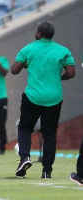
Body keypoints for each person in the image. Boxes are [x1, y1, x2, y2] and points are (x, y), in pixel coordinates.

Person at [11, 21, 75, 178]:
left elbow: (14, 70)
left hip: (33, 96)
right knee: (50, 134)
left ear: (39, 34)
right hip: (54, 97)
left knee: (25, 128)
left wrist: (27, 65)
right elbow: (71, 73)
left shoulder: (28, 48)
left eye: (36, 31)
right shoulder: (63, 50)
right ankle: (47, 171)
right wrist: (59, 77)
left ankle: (25, 157)